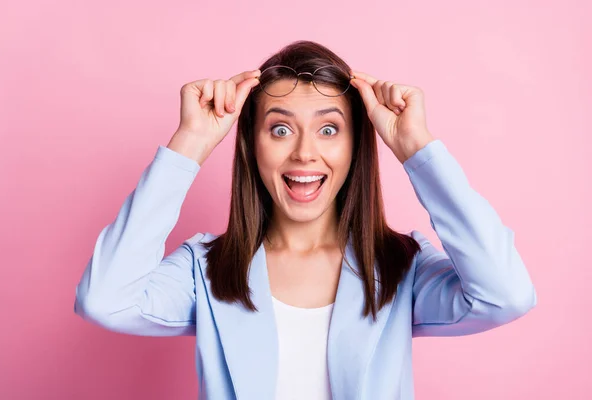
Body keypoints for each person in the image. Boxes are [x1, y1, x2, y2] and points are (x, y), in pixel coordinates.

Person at [74, 40, 537, 400]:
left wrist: (416, 148)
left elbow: (505, 295)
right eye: (280, 129)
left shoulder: (402, 267)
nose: (304, 152)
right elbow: (105, 300)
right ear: (252, 145)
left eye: (329, 129)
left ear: (357, 145)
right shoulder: (206, 269)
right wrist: (190, 143)